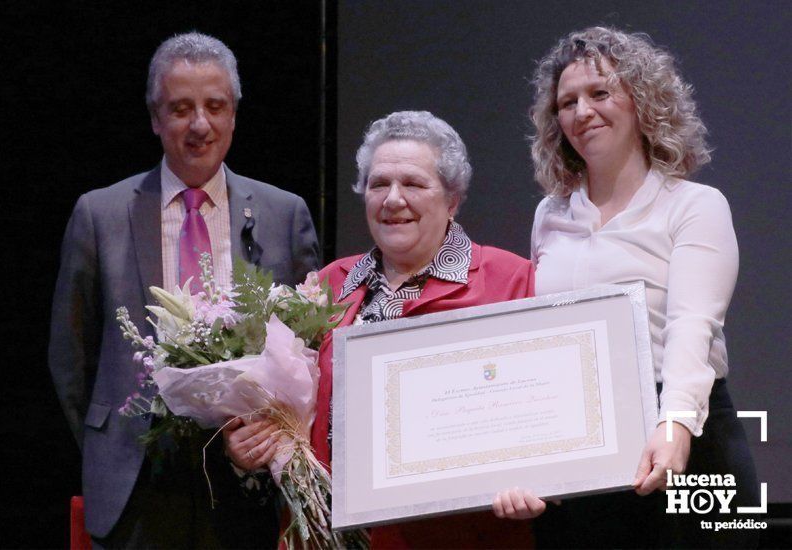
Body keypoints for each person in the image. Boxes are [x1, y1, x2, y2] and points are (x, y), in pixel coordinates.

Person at [48, 31, 319, 548]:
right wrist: (113, 439)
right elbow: (70, 356)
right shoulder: (99, 214)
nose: (200, 124)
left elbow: (307, 350)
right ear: (155, 118)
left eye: (215, 106)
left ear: (234, 114)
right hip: (137, 486)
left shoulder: (284, 214)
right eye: (181, 109)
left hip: (246, 482)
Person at [493, 26, 759, 548]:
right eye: (566, 102)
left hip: (689, 434)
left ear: (641, 102)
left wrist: (675, 425)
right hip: (583, 440)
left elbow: (692, 328)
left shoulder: (695, 206)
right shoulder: (550, 216)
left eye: (599, 93)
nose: (582, 111)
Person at [242, 110, 536, 547]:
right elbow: (282, 407)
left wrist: (535, 477)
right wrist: (249, 436)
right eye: (379, 184)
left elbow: (539, 410)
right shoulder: (327, 286)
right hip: (326, 536)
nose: (392, 199)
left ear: (452, 199)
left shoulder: (511, 280)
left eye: (413, 184)